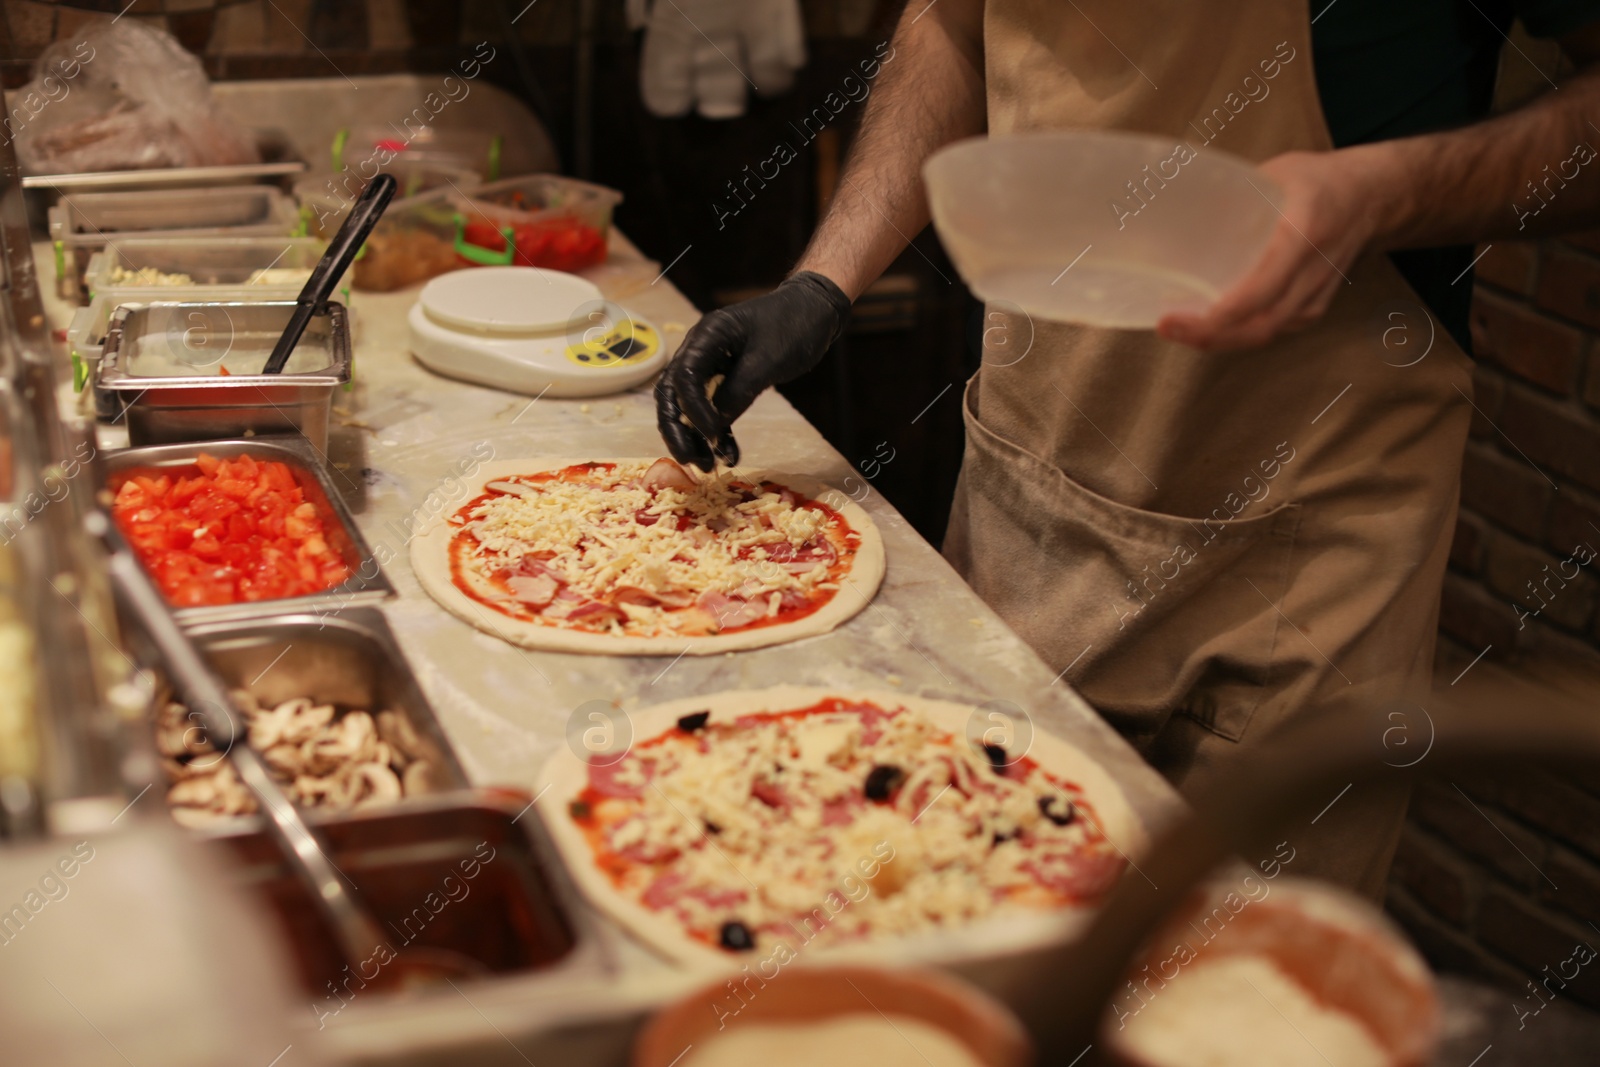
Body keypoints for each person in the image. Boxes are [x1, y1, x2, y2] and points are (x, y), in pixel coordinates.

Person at [655, 0, 1600, 896]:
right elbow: (952, 22)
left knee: (1232, 999)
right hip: (1032, 494)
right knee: (965, 928)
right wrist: (824, 282)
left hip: (1308, 542)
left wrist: (1383, 195)